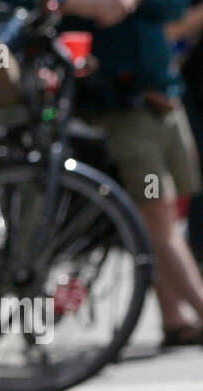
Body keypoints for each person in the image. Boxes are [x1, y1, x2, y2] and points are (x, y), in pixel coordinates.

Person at [73, 0, 203, 345]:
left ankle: (174, 318)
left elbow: (173, 12)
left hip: (163, 104)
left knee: (166, 218)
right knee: (157, 213)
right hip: (123, 114)